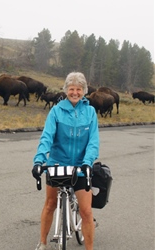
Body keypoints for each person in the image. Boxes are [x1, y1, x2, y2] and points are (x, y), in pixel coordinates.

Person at [32, 72, 100, 250]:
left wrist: (87, 162)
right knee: (50, 204)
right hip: (57, 164)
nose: (75, 93)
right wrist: (39, 161)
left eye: (79, 89)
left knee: (86, 211)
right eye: (71, 89)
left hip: (80, 167)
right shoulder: (56, 111)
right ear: (66, 90)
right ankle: (42, 242)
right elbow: (46, 137)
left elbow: (93, 142)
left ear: (84, 91)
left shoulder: (90, 112)